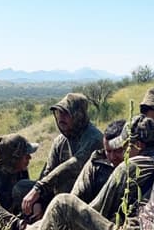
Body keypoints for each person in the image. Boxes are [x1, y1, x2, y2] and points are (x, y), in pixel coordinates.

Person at [0, 115, 154, 230]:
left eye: (122, 147)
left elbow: (97, 209)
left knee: (62, 204)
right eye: (109, 150)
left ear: (137, 145)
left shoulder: (131, 167)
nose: (115, 155)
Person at [19, 92, 102, 221]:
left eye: (66, 113)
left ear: (78, 116)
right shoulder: (60, 140)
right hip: (58, 193)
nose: (61, 118)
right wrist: (38, 201)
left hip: (85, 196)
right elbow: (48, 171)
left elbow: (74, 164)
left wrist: (38, 189)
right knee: (21, 187)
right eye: (59, 113)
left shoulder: (94, 138)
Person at [0, 133, 37, 230]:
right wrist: (19, 225)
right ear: (14, 159)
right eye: (25, 155)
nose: (30, 158)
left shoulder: (21, 172)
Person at [72, 119, 126, 204]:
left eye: (118, 151)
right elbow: (76, 196)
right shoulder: (96, 163)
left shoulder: (139, 167)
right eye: (108, 151)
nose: (112, 157)